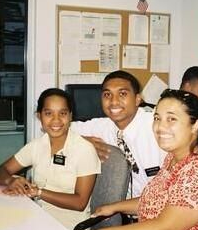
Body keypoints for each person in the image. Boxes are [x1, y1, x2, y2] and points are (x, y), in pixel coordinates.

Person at [48, 89, 198, 230]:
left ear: (195, 126)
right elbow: (159, 200)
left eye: (171, 119)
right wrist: (116, 206)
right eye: (157, 118)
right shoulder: (175, 158)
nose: (160, 126)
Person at [0, 88, 101, 230]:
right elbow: (0, 171)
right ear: (39, 116)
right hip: (36, 218)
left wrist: (39, 192)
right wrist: (11, 180)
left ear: (70, 116)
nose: (56, 120)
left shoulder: (84, 150)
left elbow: (79, 203)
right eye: (48, 113)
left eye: (62, 113)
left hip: (69, 228)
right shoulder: (37, 146)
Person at [70, 70, 166, 200]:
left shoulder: (157, 126)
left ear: (137, 99)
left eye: (122, 94)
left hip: (160, 209)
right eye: (107, 95)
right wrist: (83, 142)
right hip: (123, 212)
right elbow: (54, 128)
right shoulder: (102, 126)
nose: (114, 101)